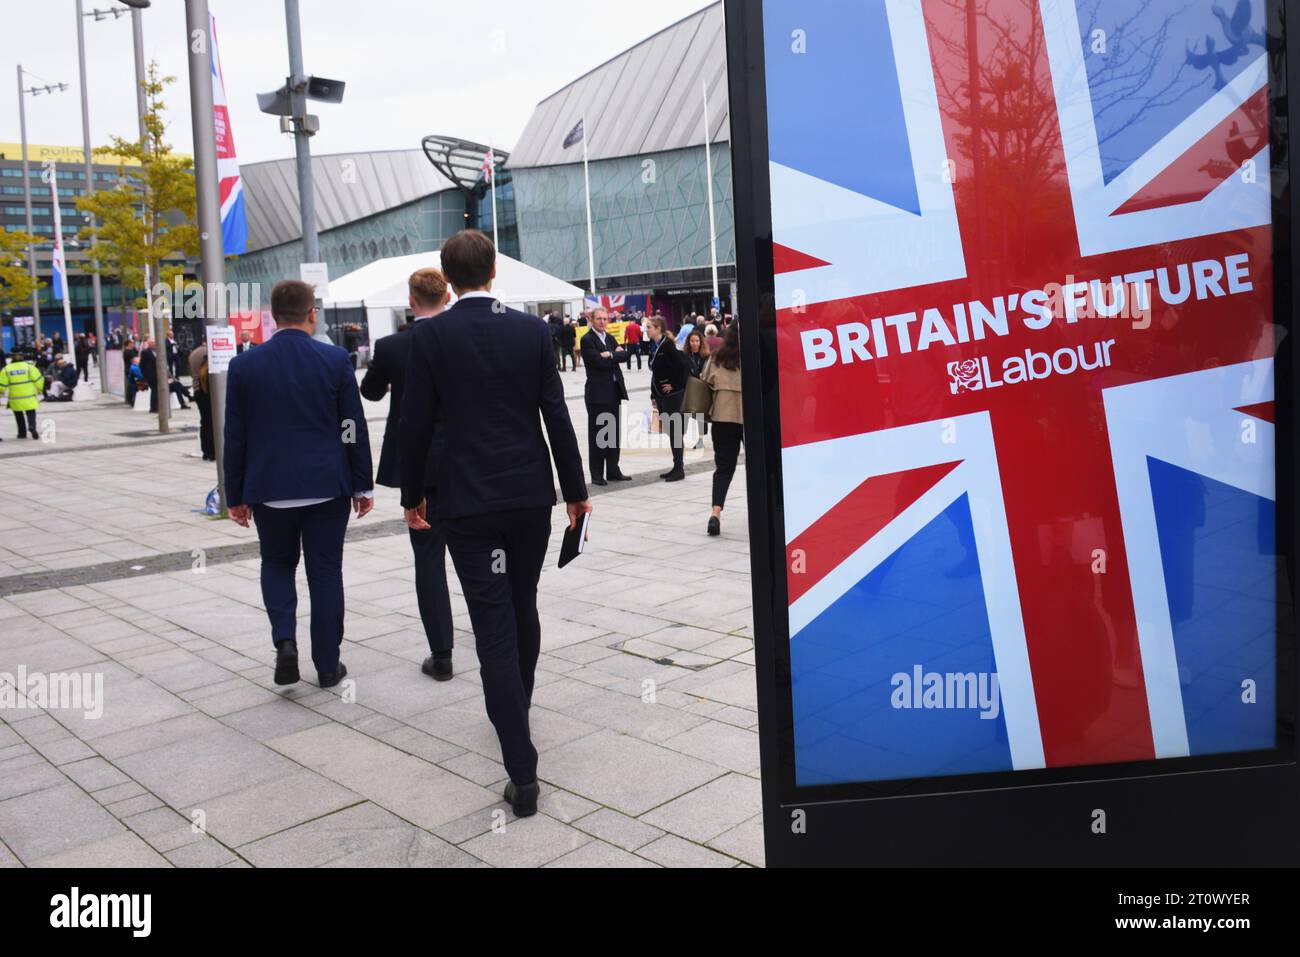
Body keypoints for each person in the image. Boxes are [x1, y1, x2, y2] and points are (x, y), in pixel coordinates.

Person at [399, 229, 590, 819]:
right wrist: (575, 493)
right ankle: (517, 707)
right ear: (495, 272)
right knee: (522, 601)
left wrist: (412, 496)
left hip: (468, 501)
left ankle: (521, 763)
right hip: (528, 496)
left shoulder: (430, 337)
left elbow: (413, 424)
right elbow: (555, 416)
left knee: (491, 620)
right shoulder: (531, 332)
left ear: (447, 278)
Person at [224, 280, 375, 690]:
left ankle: (285, 642)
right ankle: (327, 664)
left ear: (272, 315)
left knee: (276, 564)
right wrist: (362, 483)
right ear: (312, 313)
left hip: (270, 488)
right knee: (325, 573)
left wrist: (234, 494)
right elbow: (350, 426)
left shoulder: (244, 366)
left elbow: (234, 435)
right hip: (327, 484)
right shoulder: (333, 359)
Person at [361, 268, 457, 681]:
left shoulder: (393, 346)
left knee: (429, 560)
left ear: (412, 301)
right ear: (447, 296)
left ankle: (443, 653)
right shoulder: (465, 335)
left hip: (420, 465)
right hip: (470, 461)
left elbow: (369, 392)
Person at [581, 307, 632, 487]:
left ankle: (613, 470)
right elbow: (597, 362)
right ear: (592, 320)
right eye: (599, 319)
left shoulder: (609, 337)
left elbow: (625, 355)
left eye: (605, 319)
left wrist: (610, 354)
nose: (602, 322)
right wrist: (614, 355)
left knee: (613, 433)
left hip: (614, 392)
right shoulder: (587, 339)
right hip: (598, 395)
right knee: (599, 435)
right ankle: (596, 474)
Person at [702, 324, 744, 536]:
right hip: (750, 420)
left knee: (723, 469)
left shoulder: (717, 358)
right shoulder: (754, 356)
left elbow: (704, 382)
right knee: (759, 470)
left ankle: (715, 513)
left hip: (722, 419)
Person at [648, 314, 688, 482]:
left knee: (675, 432)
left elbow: (683, 366)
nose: (647, 330)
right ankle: (676, 465)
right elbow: (656, 373)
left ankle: (679, 468)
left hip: (672, 397)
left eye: (649, 327)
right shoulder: (655, 346)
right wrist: (653, 394)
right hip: (662, 396)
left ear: (658, 329)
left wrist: (675, 385)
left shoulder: (667, 346)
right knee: (671, 432)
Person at [0, 349, 43, 440]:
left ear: (12, 357)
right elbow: (39, 380)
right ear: (22, 356)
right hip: (29, 396)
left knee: (18, 414)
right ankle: (32, 426)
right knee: (31, 412)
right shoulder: (30, 367)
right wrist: (40, 389)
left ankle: (22, 433)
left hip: (15, 397)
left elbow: (2, 386)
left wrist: (1, 391)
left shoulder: (6, 369)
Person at [189, 342, 215, 461]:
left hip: (197, 390)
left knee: (204, 421)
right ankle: (212, 451)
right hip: (207, 391)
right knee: (211, 422)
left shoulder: (193, 353)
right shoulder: (209, 353)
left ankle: (205, 451)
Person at [140, 339, 159, 413]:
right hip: (150, 375)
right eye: (153, 343)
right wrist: (145, 374)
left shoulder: (157, 351)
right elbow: (142, 364)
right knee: (154, 390)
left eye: (155, 343)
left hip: (157, 374)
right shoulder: (145, 352)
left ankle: (156, 406)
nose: (154, 345)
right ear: (149, 344)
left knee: (156, 391)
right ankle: (153, 407)